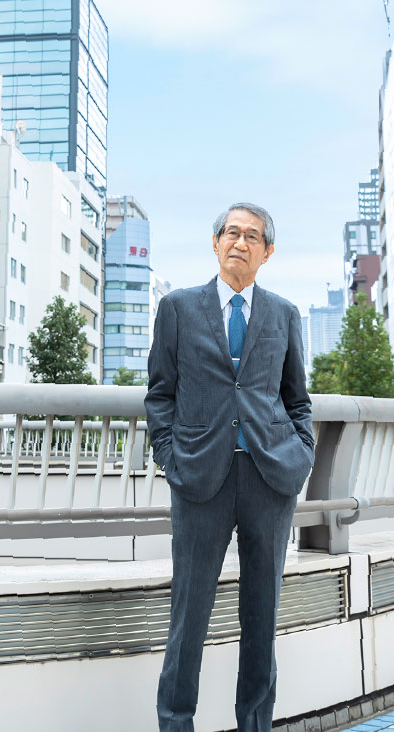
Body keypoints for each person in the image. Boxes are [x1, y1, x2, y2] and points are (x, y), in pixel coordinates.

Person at [145, 202, 315, 732]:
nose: (240, 242)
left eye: (252, 236)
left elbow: (297, 399)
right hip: (200, 479)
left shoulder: (284, 314)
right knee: (188, 616)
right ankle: (176, 723)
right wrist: (170, 456)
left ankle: (255, 725)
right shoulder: (177, 308)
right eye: (232, 233)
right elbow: (160, 395)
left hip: (270, 479)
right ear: (215, 243)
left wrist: (301, 452)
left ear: (268, 252)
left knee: (262, 618)